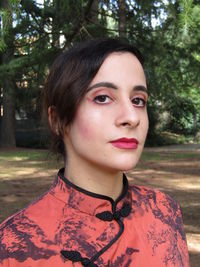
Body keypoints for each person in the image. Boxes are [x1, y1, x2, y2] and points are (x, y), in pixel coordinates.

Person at [0, 38, 189, 267]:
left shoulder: (165, 212)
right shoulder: (12, 246)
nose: (131, 117)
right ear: (58, 120)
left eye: (138, 100)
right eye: (102, 98)